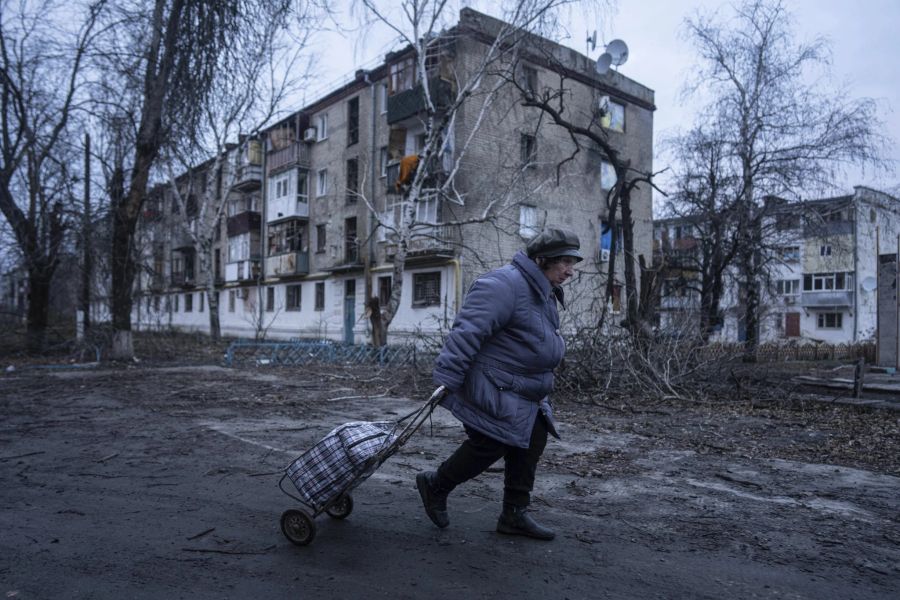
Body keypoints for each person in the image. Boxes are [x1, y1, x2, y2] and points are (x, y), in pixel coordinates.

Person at [416, 227, 582, 540]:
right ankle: (435, 485)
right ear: (542, 259)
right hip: (491, 384)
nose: (570, 271)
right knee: (491, 442)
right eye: (565, 263)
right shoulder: (504, 284)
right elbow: (467, 332)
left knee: (533, 437)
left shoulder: (541, 290)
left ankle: (514, 514)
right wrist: (448, 379)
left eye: (572, 263)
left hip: (521, 389)